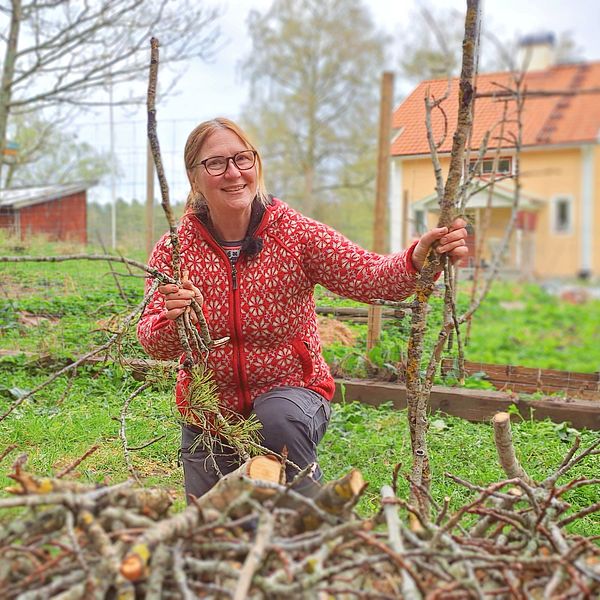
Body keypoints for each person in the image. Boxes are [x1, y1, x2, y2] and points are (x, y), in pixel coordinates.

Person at [137, 117, 468, 501]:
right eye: (216, 163)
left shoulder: (293, 234)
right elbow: (151, 341)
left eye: (243, 159)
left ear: (256, 165)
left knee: (277, 422)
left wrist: (417, 258)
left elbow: (369, 276)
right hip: (209, 414)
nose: (233, 173)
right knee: (212, 529)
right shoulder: (176, 250)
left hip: (291, 395)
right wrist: (174, 321)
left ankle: (310, 524)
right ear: (194, 178)